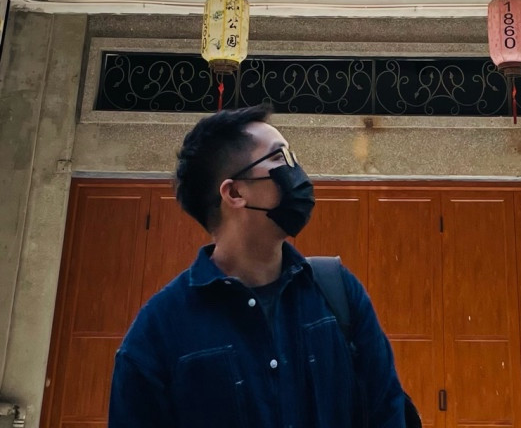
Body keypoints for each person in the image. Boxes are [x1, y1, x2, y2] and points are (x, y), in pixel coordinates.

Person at [108, 105, 407, 427]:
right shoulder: (157, 332)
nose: (296, 171)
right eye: (279, 158)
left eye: (293, 157)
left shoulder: (338, 294)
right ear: (235, 192)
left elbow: (387, 411)